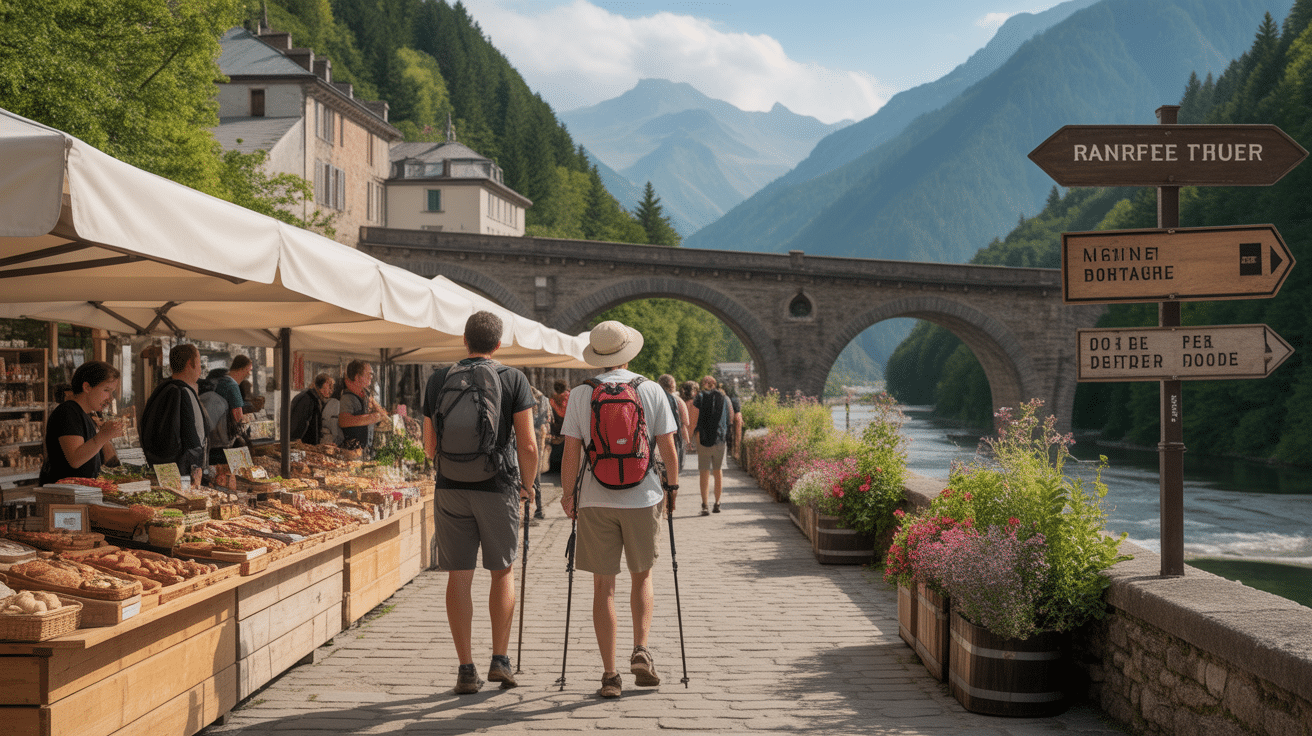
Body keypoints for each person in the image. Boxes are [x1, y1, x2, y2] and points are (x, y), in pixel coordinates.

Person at [560, 320, 679, 699]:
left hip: (595, 498)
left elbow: (571, 452)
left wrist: (568, 495)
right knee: (642, 577)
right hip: (643, 497)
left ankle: (610, 675)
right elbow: (668, 447)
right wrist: (672, 488)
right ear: (629, 351)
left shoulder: (582, 393)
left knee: (602, 586)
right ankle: (641, 649)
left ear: (597, 355)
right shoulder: (652, 389)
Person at [422, 311, 538, 694]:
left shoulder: (439, 379)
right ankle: (500, 659)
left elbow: (428, 446)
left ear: (465, 341)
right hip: (497, 484)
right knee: (502, 570)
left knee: (459, 575)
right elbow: (528, 444)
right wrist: (529, 484)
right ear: (499, 344)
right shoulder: (514, 379)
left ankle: (465, 668)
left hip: (450, 486)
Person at [39, 361, 124, 485]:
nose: (110, 399)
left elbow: (107, 460)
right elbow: (75, 459)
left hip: (80, 495)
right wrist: (103, 435)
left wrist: (106, 436)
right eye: (106, 390)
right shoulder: (68, 412)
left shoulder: (87, 415)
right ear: (87, 387)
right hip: (65, 499)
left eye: (112, 392)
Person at [140, 343, 207, 484]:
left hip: (159, 469)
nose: (201, 369)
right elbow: (193, 441)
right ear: (190, 363)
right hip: (182, 474)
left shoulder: (159, 390)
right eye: (199, 362)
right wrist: (195, 476)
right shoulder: (185, 393)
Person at [689, 375, 730, 515]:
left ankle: (705, 505)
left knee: (704, 472)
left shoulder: (699, 397)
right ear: (715, 383)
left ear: (704, 384)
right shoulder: (724, 398)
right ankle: (717, 503)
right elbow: (729, 417)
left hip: (703, 438)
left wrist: (690, 437)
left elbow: (693, 419)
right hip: (719, 438)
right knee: (718, 472)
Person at [338, 360, 386, 452]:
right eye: (368, 374)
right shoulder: (347, 397)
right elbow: (343, 421)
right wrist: (370, 418)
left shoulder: (366, 393)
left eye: (371, 374)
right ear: (357, 377)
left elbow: (381, 413)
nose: (371, 377)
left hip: (366, 450)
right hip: (352, 452)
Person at [657, 374, 691, 472]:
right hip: (674, 439)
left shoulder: (656, 399)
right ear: (673, 385)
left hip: (658, 439)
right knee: (673, 469)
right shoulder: (679, 401)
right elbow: (685, 423)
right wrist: (686, 441)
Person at [288, 373, 334, 445]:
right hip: (301, 447)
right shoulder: (308, 398)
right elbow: (298, 427)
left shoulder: (312, 397)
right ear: (322, 386)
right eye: (329, 387)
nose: (331, 391)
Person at [530, 386, 550, 519]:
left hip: (526, 435)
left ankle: (536, 508)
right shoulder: (545, 399)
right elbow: (549, 420)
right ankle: (539, 507)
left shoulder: (524, 396)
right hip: (540, 438)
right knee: (536, 474)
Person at [547, 379, 569, 473]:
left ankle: (553, 467)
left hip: (556, 427)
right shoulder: (570, 396)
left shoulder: (552, 399)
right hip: (567, 426)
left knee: (555, 448)